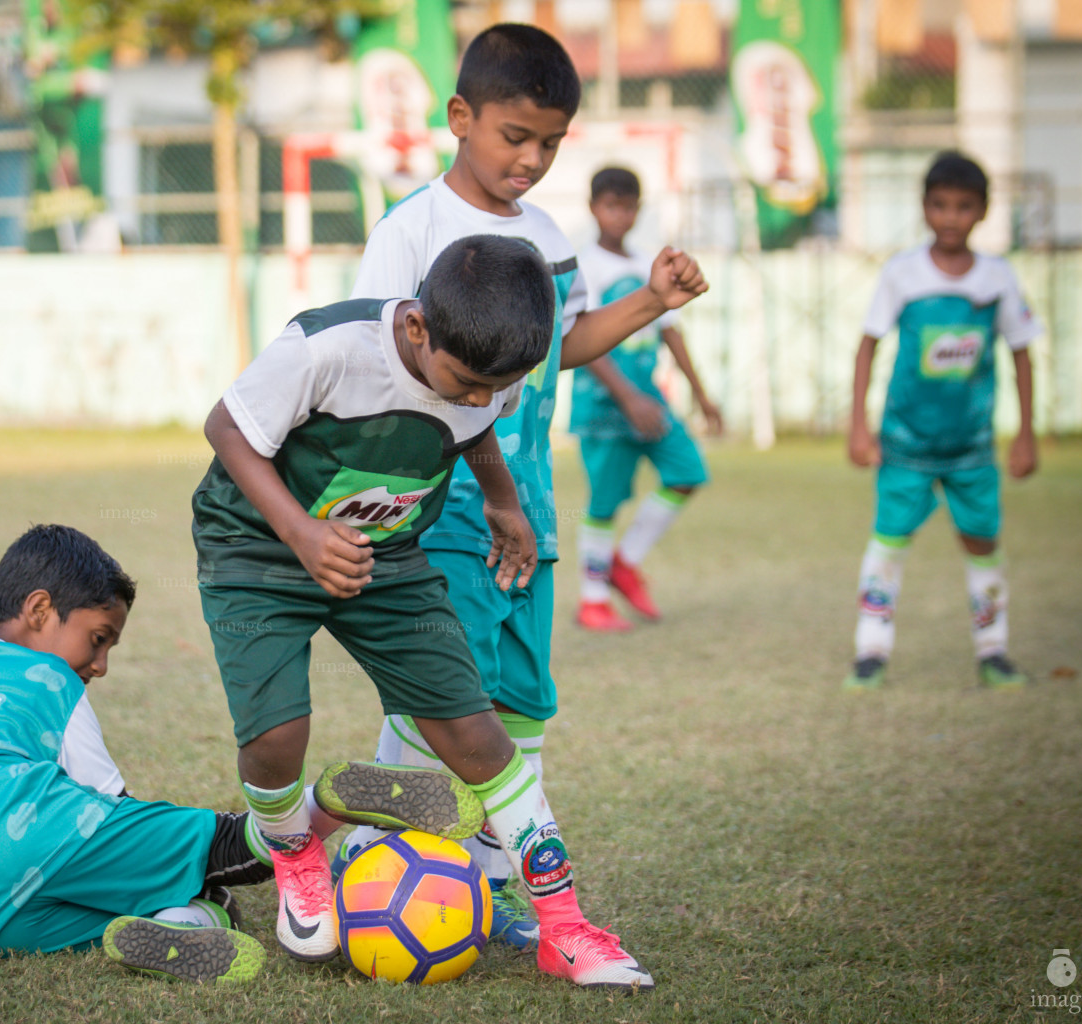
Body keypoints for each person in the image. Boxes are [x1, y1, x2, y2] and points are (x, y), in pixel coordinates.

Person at [196, 233, 686, 990]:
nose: (472, 398)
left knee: (476, 731)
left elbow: (477, 427)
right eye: (461, 381)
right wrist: (300, 532)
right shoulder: (329, 348)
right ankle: (297, 855)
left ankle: (564, 924)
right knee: (276, 734)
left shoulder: (491, 373)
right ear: (419, 329)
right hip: (258, 548)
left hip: (387, 554)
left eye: (495, 386)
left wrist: (502, 501)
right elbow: (226, 427)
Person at [338, 24, 707, 954]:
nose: (532, 160)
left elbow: (567, 346)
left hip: (529, 513)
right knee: (442, 695)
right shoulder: (411, 232)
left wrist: (652, 302)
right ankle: (378, 866)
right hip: (439, 514)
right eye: (515, 137)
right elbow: (376, 365)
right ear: (461, 118)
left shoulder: (550, 239)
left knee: (522, 702)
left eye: (550, 143)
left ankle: (496, 889)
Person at [0, 524, 284, 983]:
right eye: (99, 638)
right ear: (40, 610)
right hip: (18, 845)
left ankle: (180, 925)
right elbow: (116, 819)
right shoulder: (49, 679)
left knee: (77, 920)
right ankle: (308, 810)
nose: (101, 665)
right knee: (195, 861)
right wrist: (164, 869)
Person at [845, 151, 1039, 691]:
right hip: (904, 442)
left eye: (963, 207)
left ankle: (993, 650)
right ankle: (871, 651)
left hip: (971, 447)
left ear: (982, 212)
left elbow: (1022, 353)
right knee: (889, 540)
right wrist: (859, 426)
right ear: (924, 208)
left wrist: (1025, 433)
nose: (950, 217)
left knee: (982, 541)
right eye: (939, 205)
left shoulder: (998, 277)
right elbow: (867, 347)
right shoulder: (901, 273)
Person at [571, 167, 722, 632]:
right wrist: (628, 398)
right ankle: (592, 599)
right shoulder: (583, 264)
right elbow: (579, 336)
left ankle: (625, 561)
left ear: (639, 209)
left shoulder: (646, 263)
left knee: (687, 472)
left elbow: (669, 330)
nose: (620, 215)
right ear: (594, 207)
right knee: (604, 502)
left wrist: (701, 394)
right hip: (603, 406)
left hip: (649, 399)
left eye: (629, 205)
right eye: (610, 205)